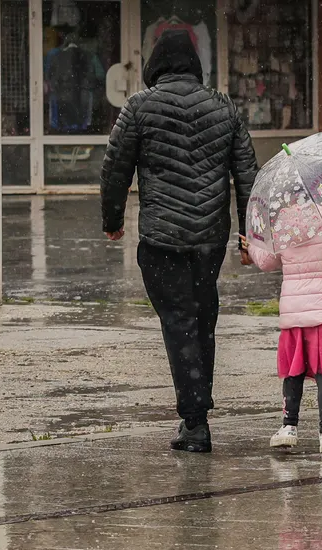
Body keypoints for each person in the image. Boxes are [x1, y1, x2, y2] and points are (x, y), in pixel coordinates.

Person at [100, 29, 258, 453]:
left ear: (155, 65)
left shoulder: (138, 107)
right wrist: (250, 234)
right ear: (194, 65)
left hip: (161, 238)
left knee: (179, 321)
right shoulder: (224, 108)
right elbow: (247, 174)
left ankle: (195, 421)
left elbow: (115, 169)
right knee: (203, 317)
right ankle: (198, 407)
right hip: (209, 237)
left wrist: (112, 219)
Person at [246, 210, 322, 457]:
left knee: (294, 370)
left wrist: (252, 246)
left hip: (295, 310)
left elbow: (267, 261)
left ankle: (289, 427)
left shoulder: (282, 223)